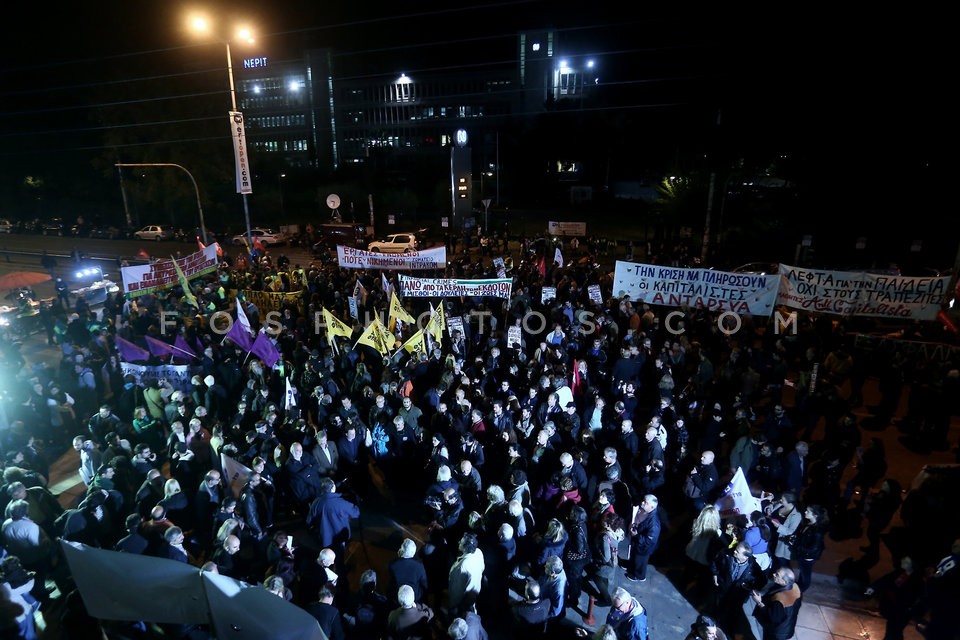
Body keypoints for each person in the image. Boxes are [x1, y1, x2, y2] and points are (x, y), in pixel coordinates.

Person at [865, 556, 924, 640]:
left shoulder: (916, 582)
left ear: (912, 566)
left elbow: (912, 598)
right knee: (893, 630)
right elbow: (885, 580)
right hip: (892, 607)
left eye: (907, 562)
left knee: (894, 630)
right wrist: (873, 588)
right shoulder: (899, 573)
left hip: (901, 611)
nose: (903, 561)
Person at [748, 566, 802, 640]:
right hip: (787, 626)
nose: (774, 574)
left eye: (777, 575)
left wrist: (759, 602)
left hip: (777, 633)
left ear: (785, 582)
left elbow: (772, 618)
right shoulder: (795, 587)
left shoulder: (780, 600)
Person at [793, 504, 828, 592]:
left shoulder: (818, 531)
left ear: (815, 515)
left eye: (808, 511)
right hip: (803, 554)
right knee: (802, 573)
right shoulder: (809, 524)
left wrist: (797, 546)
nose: (805, 512)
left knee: (805, 576)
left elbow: (813, 549)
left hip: (807, 557)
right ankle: (798, 588)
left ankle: (800, 591)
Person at [626, 494, 660, 583]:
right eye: (643, 500)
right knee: (634, 557)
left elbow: (649, 540)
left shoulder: (654, 523)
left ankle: (639, 576)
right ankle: (630, 566)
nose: (642, 503)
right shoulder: (646, 513)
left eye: (646, 502)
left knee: (640, 561)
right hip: (638, 543)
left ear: (652, 507)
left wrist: (636, 535)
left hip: (644, 547)